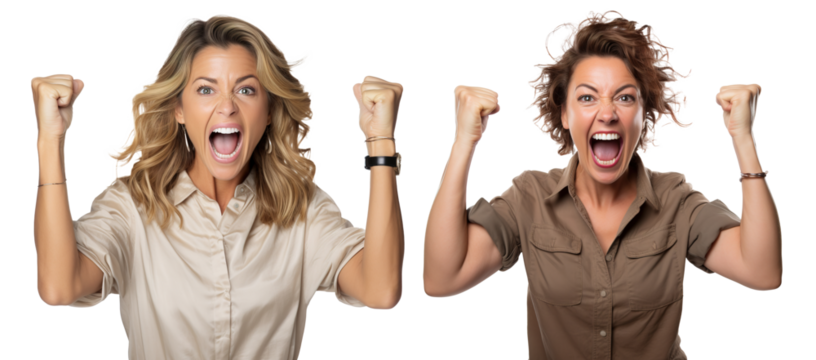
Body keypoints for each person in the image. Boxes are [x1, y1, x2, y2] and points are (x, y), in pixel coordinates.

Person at [32, 14, 406, 359]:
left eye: (246, 90)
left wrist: (381, 143)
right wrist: (50, 140)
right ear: (179, 109)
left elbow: (380, 289)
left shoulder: (302, 208)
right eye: (205, 90)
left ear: (269, 111)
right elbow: (59, 287)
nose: (227, 107)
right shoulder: (132, 206)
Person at [422, 9, 782, 359]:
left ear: (644, 113)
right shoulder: (530, 198)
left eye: (625, 97)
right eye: (587, 97)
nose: (607, 113)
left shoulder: (676, 201)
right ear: (565, 113)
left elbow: (762, 272)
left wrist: (743, 138)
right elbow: (442, 279)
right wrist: (464, 141)